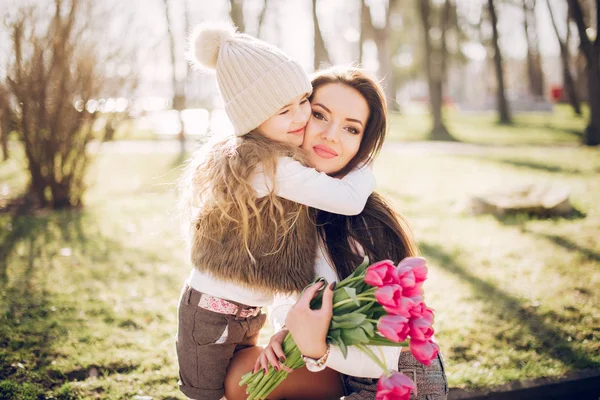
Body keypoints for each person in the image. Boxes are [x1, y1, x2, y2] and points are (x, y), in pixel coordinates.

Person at [176, 24, 377, 400]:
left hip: (248, 310)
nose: (300, 117)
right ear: (252, 122)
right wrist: (364, 161)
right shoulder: (267, 167)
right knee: (204, 393)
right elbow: (348, 199)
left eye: (304, 101)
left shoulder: (279, 156)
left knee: (236, 384)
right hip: (210, 313)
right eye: (284, 111)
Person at [224, 66, 448, 400]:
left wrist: (315, 349)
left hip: (394, 382)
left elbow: (384, 358)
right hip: (337, 368)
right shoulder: (290, 201)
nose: (331, 135)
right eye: (319, 115)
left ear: (363, 144)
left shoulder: (364, 223)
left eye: (351, 129)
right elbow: (296, 294)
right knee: (242, 375)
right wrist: (287, 334)